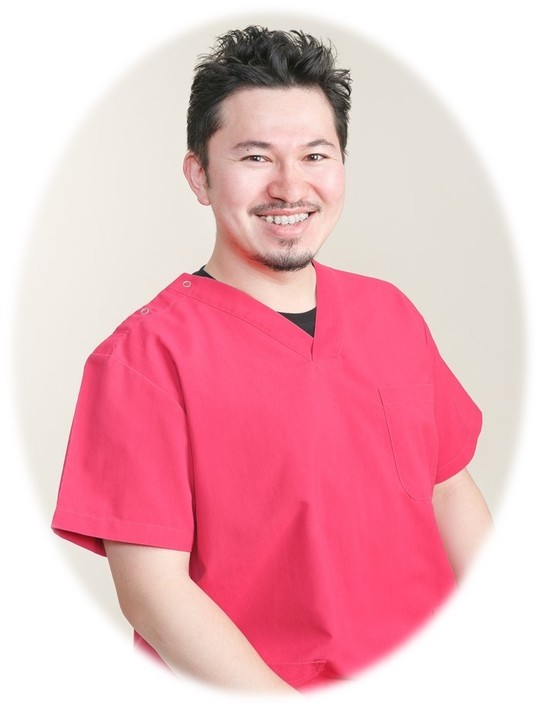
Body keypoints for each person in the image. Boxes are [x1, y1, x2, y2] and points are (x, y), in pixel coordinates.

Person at [51, 25, 492, 694]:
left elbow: (449, 488)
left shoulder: (390, 313)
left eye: (316, 155)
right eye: (255, 157)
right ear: (199, 175)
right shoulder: (143, 359)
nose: (290, 186)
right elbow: (154, 594)